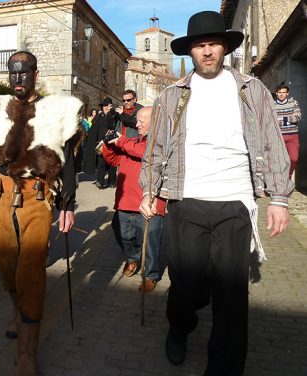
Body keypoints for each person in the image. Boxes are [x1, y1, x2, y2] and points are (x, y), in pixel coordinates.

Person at [139, 11, 293, 375]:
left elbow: (273, 143)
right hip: (185, 200)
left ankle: (223, 367)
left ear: (224, 48)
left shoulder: (251, 89)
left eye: (213, 44)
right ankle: (180, 326)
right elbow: (156, 149)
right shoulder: (170, 96)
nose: (207, 51)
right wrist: (149, 190)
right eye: (200, 46)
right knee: (185, 285)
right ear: (190, 51)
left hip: (235, 203)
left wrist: (280, 199)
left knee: (231, 295)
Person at [0, 51, 82, 375]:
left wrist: (67, 205)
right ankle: (17, 309)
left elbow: (69, 161)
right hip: (0, 198)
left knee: (30, 272)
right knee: (7, 269)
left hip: (37, 199)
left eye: (23, 73)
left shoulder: (54, 113)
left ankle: (27, 355)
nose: (17, 80)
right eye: (12, 74)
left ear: (35, 74)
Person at [102, 107, 165, 292]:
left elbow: (143, 152)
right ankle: (133, 258)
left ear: (154, 121)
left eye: (141, 121)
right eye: (136, 121)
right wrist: (109, 144)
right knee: (125, 235)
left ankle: (151, 275)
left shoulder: (158, 143)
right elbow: (113, 160)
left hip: (149, 204)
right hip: (126, 201)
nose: (136, 124)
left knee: (152, 242)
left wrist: (120, 141)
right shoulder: (130, 142)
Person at [83, 98, 117, 188]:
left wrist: (110, 113)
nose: (105, 108)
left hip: (112, 143)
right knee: (101, 163)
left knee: (112, 163)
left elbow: (111, 125)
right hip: (101, 143)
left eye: (107, 106)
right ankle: (100, 181)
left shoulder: (114, 115)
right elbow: (93, 128)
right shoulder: (99, 116)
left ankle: (112, 182)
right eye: (104, 106)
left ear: (110, 106)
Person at [274, 84, 302, 179]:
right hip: (277, 137)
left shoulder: (293, 103)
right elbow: (272, 121)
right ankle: (280, 181)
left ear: (287, 93)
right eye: (280, 92)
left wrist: (280, 119)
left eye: (284, 92)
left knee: (294, 158)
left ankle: (288, 176)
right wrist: (289, 118)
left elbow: (297, 118)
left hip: (292, 136)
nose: (281, 94)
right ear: (276, 93)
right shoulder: (272, 104)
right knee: (279, 161)